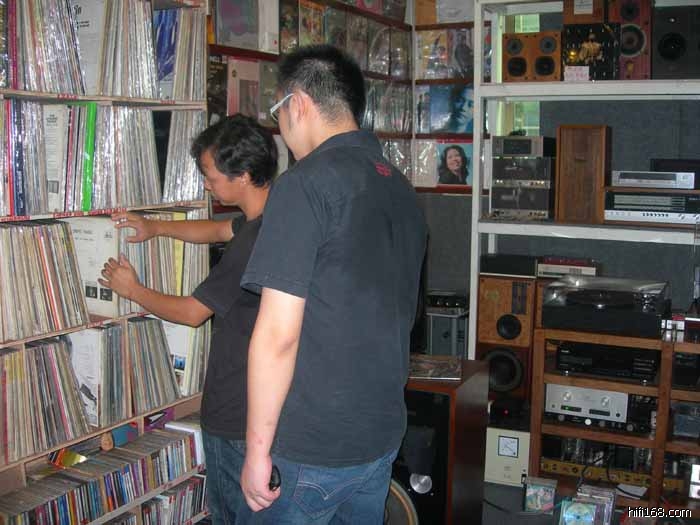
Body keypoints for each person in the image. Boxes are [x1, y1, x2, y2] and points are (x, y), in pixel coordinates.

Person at [238, 44, 428, 523]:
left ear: (298, 104)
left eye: (278, 113)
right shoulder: (400, 188)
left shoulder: (304, 184)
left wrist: (257, 452)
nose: (281, 129)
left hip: (311, 446)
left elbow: (278, 336)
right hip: (379, 435)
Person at [97, 114, 277, 525]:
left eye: (211, 177)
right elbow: (218, 230)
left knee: (233, 515)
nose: (206, 185)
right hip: (262, 405)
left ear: (243, 176)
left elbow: (193, 313)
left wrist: (133, 290)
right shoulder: (275, 214)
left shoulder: (253, 243)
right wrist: (155, 227)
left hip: (237, 413)